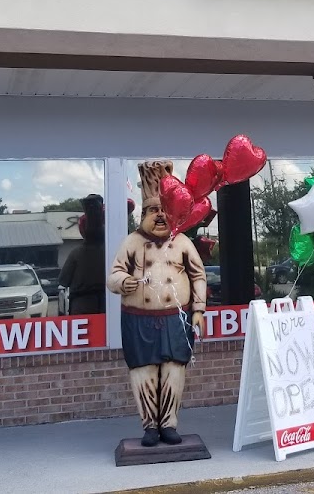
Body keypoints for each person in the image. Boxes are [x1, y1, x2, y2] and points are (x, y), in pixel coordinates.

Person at [107, 160, 206, 448]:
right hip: (138, 319)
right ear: (143, 214)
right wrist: (122, 282)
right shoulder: (131, 242)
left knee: (174, 370)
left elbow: (199, 275)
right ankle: (150, 426)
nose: (160, 215)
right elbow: (113, 275)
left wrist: (198, 310)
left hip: (177, 319)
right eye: (153, 210)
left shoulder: (183, 242)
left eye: (165, 210)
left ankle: (169, 424)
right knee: (144, 372)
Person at [60, 194, 107, 315]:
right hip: (107, 306)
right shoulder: (112, 252)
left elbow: (63, 280)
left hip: (82, 307)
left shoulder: (76, 253)